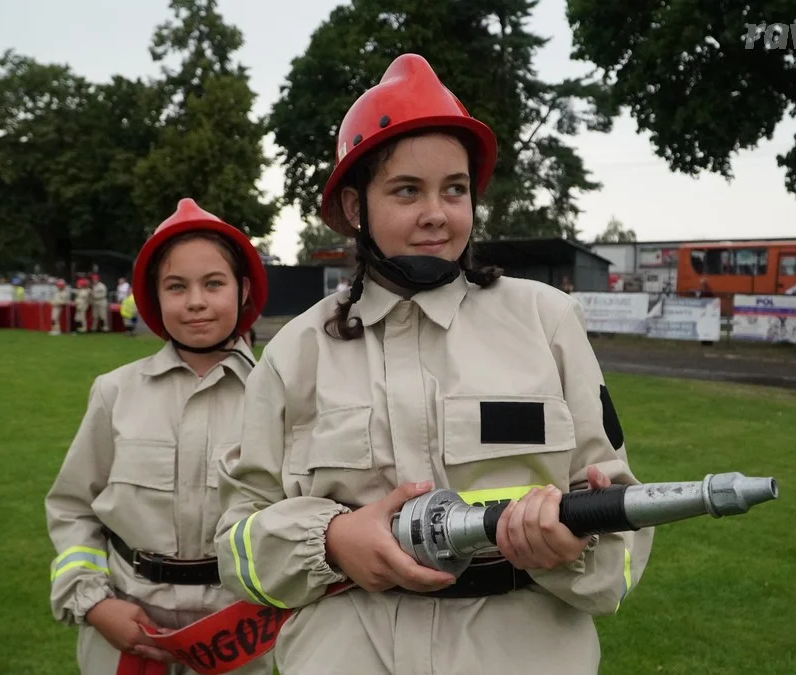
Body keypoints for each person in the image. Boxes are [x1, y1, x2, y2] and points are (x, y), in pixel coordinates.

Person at [214, 54, 653, 675]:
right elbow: (236, 545)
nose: (437, 215)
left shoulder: (547, 321)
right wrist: (331, 542)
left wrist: (571, 550)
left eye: (455, 188)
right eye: (405, 190)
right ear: (355, 205)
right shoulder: (296, 351)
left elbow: (623, 523)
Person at [45, 198, 271, 675]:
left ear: (243, 288)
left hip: (236, 637)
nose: (195, 301)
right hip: (125, 631)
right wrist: (94, 603)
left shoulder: (279, 396)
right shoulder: (114, 392)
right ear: (154, 295)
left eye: (214, 283)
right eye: (177, 286)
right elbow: (72, 509)